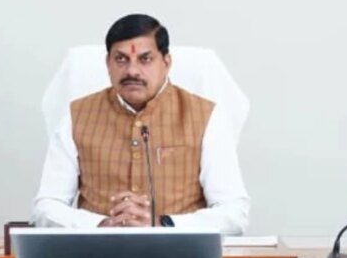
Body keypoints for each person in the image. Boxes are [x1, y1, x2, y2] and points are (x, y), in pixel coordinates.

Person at [32, 13, 249, 234]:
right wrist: (101, 225)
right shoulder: (77, 115)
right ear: (107, 63)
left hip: (180, 253)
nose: (132, 71)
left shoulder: (205, 116)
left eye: (145, 59)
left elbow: (234, 213)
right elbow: (46, 206)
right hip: (98, 252)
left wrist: (163, 224)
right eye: (121, 59)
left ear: (166, 62)